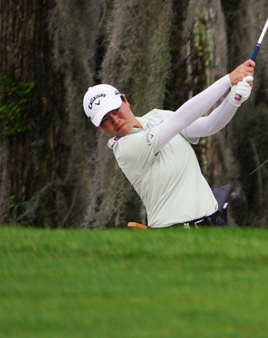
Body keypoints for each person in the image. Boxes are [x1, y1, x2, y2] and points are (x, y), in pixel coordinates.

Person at [83, 59, 255, 228]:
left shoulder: (157, 117)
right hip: (178, 235)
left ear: (124, 100)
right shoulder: (125, 148)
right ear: (100, 127)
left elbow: (209, 125)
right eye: (105, 119)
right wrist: (227, 81)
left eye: (115, 110)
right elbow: (180, 120)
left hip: (214, 224)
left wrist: (233, 100)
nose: (115, 120)